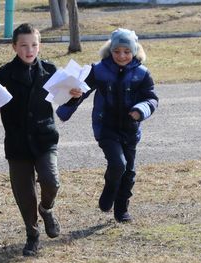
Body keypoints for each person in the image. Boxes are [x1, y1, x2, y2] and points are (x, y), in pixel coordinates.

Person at [57, 28, 159, 223]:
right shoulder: (99, 70)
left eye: (127, 51)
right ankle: (110, 189)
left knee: (129, 172)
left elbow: (151, 98)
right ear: (110, 50)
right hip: (106, 127)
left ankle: (121, 210)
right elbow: (80, 91)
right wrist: (67, 107)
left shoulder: (142, 74)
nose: (121, 56)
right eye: (117, 51)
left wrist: (140, 110)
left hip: (130, 129)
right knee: (118, 164)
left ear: (134, 51)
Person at [0, 23, 62, 257]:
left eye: (34, 45)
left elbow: (65, 99)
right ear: (14, 47)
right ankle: (32, 235)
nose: (29, 50)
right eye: (23, 45)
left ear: (39, 45)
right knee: (24, 195)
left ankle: (47, 209)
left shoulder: (50, 70)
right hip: (17, 143)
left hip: (45, 139)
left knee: (51, 181)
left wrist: (74, 95)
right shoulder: (4, 73)